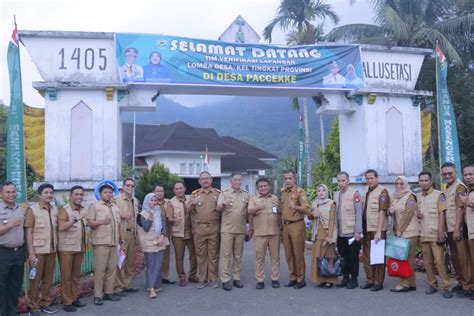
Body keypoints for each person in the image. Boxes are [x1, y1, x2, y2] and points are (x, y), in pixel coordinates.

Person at [87, 183, 124, 306]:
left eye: (110, 192)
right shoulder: (94, 206)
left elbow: (118, 224)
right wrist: (101, 222)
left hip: (114, 242)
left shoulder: (115, 207)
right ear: (100, 193)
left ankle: (109, 292)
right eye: (105, 192)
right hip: (101, 242)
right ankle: (98, 295)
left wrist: (121, 240)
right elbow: (89, 223)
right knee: (100, 270)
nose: (108, 194)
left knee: (112, 269)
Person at [417, 171, 453, 298]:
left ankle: (446, 286)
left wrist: (441, 232)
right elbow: (417, 214)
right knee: (427, 262)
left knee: (439, 261)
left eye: (426, 180)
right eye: (421, 181)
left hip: (435, 234)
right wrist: (418, 215)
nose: (424, 183)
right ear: (419, 182)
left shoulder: (439, 195)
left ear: (431, 181)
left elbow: (442, 214)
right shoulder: (418, 196)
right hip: (423, 234)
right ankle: (432, 284)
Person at [25, 183, 59, 315]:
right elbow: (29, 232)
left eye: (51, 192)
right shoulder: (32, 210)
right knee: (35, 280)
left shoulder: (55, 209)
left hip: (51, 251)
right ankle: (34, 307)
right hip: (38, 252)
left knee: (48, 280)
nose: (49, 195)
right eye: (46, 192)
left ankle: (46, 303)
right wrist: (31, 253)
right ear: (39, 195)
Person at [440, 162, 470, 297]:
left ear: (456, 173)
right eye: (444, 173)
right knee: (456, 258)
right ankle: (462, 282)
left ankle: (469, 286)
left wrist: (457, 229)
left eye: (450, 173)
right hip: (451, 229)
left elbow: (460, 209)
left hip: (458, 229)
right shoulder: (447, 188)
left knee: (463, 259)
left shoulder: (459, 187)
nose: (447, 175)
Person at [217, 172, 249, 291]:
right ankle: (225, 279)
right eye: (235, 180)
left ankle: (237, 278)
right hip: (227, 229)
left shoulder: (246, 195)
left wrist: (248, 228)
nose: (237, 182)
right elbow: (218, 208)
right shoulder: (224, 193)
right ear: (231, 181)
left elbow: (247, 213)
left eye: (239, 180)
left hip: (240, 229)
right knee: (226, 255)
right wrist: (223, 204)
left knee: (238, 255)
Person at [188, 171, 221, 289]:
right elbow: (188, 210)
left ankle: (213, 279)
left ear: (211, 180)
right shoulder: (195, 194)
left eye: (207, 178)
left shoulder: (218, 194)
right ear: (199, 181)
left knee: (213, 255)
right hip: (199, 229)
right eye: (203, 179)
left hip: (214, 228)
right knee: (200, 255)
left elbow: (223, 211)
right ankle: (202, 279)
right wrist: (192, 203)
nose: (205, 181)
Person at [57, 186, 88, 312]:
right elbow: (61, 227)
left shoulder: (84, 210)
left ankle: (74, 298)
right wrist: (73, 220)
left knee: (76, 276)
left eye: (81, 194)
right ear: (71, 196)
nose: (79, 197)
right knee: (66, 276)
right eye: (76, 194)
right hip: (66, 248)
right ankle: (67, 302)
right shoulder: (64, 210)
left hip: (79, 247)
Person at [248, 177, 281, 289]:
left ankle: (275, 278)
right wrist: (258, 207)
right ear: (257, 188)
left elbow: (279, 213)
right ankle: (260, 280)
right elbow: (249, 211)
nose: (263, 188)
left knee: (275, 257)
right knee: (259, 257)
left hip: (274, 232)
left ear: (269, 187)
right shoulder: (253, 199)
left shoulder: (275, 198)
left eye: (265, 186)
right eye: (260, 186)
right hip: (259, 232)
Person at [280, 170, 310, 289]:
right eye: (285, 178)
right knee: (288, 254)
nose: (287, 181)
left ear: (294, 179)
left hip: (297, 224)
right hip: (285, 226)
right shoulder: (283, 192)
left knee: (298, 253)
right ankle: (292, 277)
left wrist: (295, 207)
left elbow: (306, 208)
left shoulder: (299, 191)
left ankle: (301, 279)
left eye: (289, 178)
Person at [360, 169, 390, 291]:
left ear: (377, 178)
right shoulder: (367, 192)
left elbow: (382, 212)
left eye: (372, 178)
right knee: (366, 257)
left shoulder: (382, 192)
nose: (369, 181)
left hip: (377, 230)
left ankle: (378, 282)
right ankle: (370, 279)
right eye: (367, 179)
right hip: (367, 229)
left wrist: (379, 231)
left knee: (378, 257)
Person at [388, 176, 419, 293]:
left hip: (409, 232)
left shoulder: (410, 196)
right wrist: (389, 210)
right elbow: (392, 212)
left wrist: (400, 230)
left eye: (401, 183)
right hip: (400, 232)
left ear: (405, 184)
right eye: (396, 183)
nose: (399, 186)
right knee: (405, 258)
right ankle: (411, 283)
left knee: (405, 259)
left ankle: (403, 284)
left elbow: (408, 214)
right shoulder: (395, 197)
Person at [0, 182, 26, 316]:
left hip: (19, 253)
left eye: (13, 191)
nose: (12, 194)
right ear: (1, 194)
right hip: (3, 253)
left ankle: (11, 312)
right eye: (8, 192)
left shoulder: (21, 209)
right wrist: (10, 224)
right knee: (1, 286)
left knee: (15, 286)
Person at [165, 181, 198, 287]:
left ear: (184, 189)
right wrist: (174, 220)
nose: (179, 190)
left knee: (194, 256)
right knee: (179, 257)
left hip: (191, 232)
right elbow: (169, 218)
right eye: (176, 189)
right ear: (174, 191)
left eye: (181, 188)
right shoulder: (171, 202)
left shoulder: (191, 198)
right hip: (178, 233)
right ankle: (182, 277)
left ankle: (193, 275)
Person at [334, 171, 363, 289]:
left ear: (348, 181)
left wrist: (358, 231)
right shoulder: (336, 194)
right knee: (343, 256)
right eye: (339, 181)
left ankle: (354, 279)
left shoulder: (354, 194)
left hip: (352, 232)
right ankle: (345, 277)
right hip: (340, 232)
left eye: (343, 180)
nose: (341, 183)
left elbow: (359, 213)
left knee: (353, 257)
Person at [137, 193, 168, 299]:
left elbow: (164, 225)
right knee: (151, 265)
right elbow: (145, 228)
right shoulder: (143, 213)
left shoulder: (158, 211)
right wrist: (150, 216)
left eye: (155, 201)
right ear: (147, 201)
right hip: (149, 242)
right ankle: (151, 289)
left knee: (159, 265)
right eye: (151, 200)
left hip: (160, 241)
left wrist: (162, 236)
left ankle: (156, 285)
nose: (154, 202)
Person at [114, 178, 139, 296]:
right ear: (123, 187)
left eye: (132, 185)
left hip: (133, 234)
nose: (130, 187)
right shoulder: (116, 200)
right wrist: (121, 215)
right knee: (121, 262)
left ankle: (127, 285)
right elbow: (112, 216)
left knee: (130, 262)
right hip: (122, 234)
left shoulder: (135, 200)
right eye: (128, 185)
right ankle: (118, 287)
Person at [310, 184, 337, 288]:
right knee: (318, 256)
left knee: (329, 256)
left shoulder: (331, 204)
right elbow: (310, 216)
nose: (321, 192)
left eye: (323, 190)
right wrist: (313, 214)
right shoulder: (315, 203)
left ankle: (329, 280)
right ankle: (320, 279)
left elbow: (332, 221)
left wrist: (330, 236)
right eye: (319, 190)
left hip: (327, 233)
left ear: (327, 192)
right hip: (317, 233)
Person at [154, 184, 175, 285]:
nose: (159, 193)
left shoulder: (168, 202)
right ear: (154, 192)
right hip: (154, 234)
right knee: (155, 256)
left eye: (161, 191)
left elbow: (170, 217)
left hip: (166, 233)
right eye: (157, 191)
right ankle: (154, 277)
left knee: (165, 257)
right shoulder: (152, 202)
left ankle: (164, 277)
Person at [462, 164, 474, 300]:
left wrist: (469, 203)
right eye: (466, 175)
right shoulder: (468, 190)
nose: (468, 177)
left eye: (471, 174)